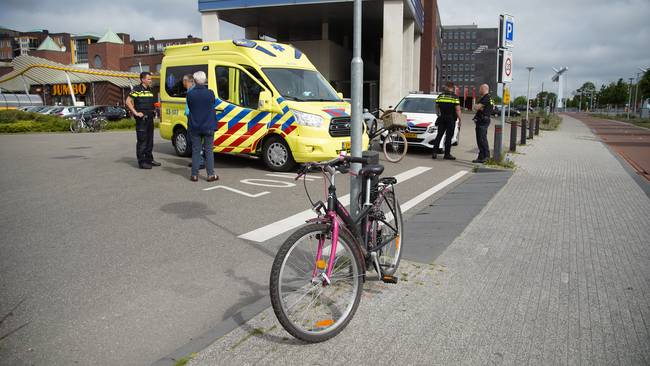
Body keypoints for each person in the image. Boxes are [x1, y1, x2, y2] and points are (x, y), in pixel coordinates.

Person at [186, 71, 218, 182]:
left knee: (196, 150)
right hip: (208, 125)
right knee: (208, 150)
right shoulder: (210, 93)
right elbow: (213, 103)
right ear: (205, 81)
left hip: (194, 126)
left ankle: (194, 175)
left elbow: (190, 107)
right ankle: (210, 175)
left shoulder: (190, 94)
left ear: (194, 81)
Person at [126, 72, 159, 169]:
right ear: (142, 80)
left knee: (150, 140)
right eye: (148, 79)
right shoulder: (137, 89)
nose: (150, 81)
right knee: (142, 140)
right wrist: (135, 113)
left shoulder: (149, 90)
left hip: (149, 118)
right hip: (142, 119)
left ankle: (149, 159)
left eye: (150, 79)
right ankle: (142, 162)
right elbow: (128, 101)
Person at [432, 82, 461, 160]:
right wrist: (460, 119)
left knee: (439, 135)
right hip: (451, 119)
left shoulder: (440, 96)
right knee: (449, 137)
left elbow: (436, 106)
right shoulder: (455, 97)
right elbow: (457, 110)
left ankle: (434, 153)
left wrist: (438, 114)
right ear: (452, 87)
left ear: (446, 87)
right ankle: (447, 154)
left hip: (442, 118)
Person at [183, 74, 205, 170]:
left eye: (184, 81)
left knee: (195, 141)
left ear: (189, 81)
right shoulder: (191, 90)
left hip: (192, 118)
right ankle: (197, 160)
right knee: (195, 141)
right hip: (195, 117)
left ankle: (199, 161)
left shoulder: (192, 91)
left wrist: (188, 114)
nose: (184, 84)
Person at [472, 84, 493, 163]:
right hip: (482, 120)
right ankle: (481, 157)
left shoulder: (486, 98)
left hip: (483, 121)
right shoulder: (488, 98)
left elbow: (476, 108)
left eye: (480, 88)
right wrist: (479, 107)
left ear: (484, 89)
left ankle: (486, 157)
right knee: (480, 139)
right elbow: (478, 108)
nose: (479, 90)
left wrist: (477, 106)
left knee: (482, 139)